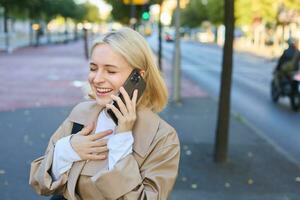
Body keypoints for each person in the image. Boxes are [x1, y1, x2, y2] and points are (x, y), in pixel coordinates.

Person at [29, 27, 180, 200]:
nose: (97, 78)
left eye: (111, 71)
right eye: (93, 68)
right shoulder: (81, 113)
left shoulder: (162, 137)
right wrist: (67, 149)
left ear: (137, 76)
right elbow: (40, 182)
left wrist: (122, 140)